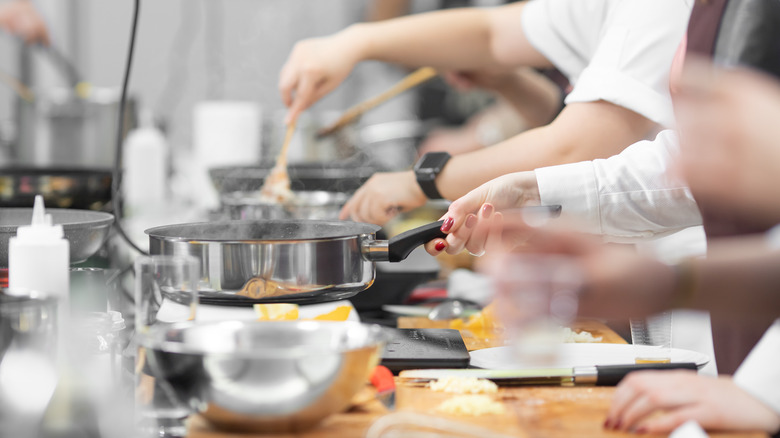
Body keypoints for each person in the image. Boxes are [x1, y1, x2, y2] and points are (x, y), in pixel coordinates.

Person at [279, 0, 692, 225]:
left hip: (693, 280)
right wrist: (355, 43)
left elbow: (579, 145)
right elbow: (492, 33)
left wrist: (420, 181)